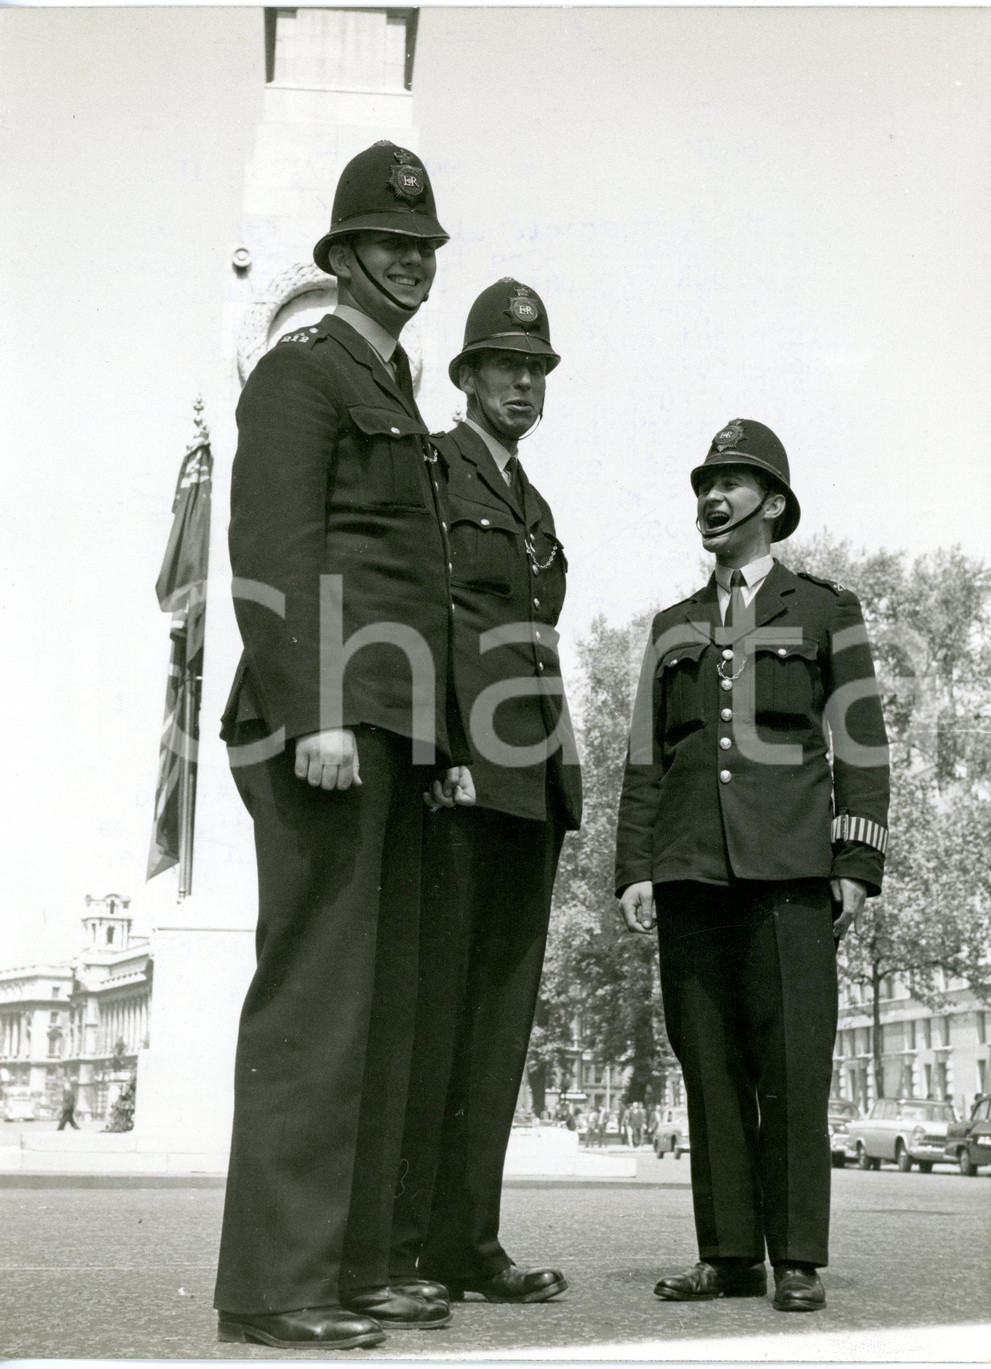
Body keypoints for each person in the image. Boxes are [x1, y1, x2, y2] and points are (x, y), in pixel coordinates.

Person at [214, 142, 471, 1351]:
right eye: (389, 244)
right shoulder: (302, 376)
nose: (411, 263)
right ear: (341, 255)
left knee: (385, 1011)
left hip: (398, 737)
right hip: (322, 729)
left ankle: (355, 1265)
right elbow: (272, 555)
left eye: (424, 248)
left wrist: (449, 736)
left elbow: (423, 589)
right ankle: (275, 1285)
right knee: (318, 1008)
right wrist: (313, 708)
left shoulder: (401, 393)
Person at [615, 419, 890, 1313]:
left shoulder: (824, 610)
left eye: (731, 483)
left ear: (772, 504)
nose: (712, 497)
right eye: (704, 483)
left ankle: (797, 1256)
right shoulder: (671, 626)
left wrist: (854, 859)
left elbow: (861, 742)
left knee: (793, 1063)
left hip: (792, 871)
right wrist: (635, 870)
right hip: (691, 869)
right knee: (711, 1067)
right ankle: (729, 1253)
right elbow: (645, 759)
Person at [389, 280, 581, 1306]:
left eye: (536, 368)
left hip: (530, 789)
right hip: (463, 779)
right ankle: (407, 1242)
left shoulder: (533, 502)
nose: (522, 382)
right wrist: (441, 747)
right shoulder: (434, 467)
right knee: (437, 1014)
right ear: (464, 375)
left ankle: (469, 1240)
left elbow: (536, 649)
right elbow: (426, 618)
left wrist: (564, 786)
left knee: (500, 1025)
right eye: (505, 364)